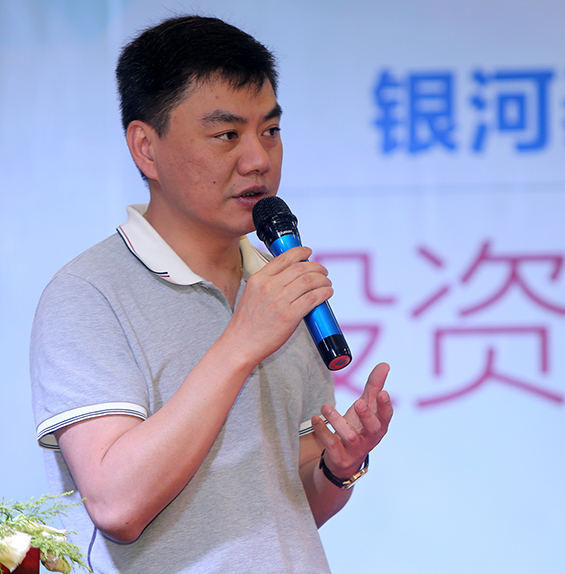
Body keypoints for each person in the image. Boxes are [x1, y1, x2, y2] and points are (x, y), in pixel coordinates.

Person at [30, 15, 392, 574]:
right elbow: (117, 504)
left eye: (270, 131)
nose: (258, 159)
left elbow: (284, 505)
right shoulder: (87, 294)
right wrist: (241, 343)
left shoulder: (275, 283)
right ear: (146, 148)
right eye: (227, 135)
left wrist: (337, 469)